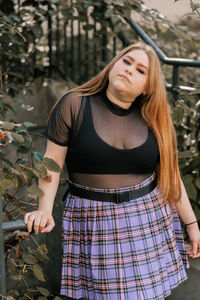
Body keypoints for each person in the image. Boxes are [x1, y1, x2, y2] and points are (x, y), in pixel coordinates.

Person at [24, 42, 200, 300]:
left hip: (148, 216)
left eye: (141, 70)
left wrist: (192, 224)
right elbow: (51, 164)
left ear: (147, 88)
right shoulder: (74, 105)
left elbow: (170, 177)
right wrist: (44, 210)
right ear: (114, 64)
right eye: (126, 62)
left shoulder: (155, 119)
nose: (129, 70)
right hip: (94, 219)